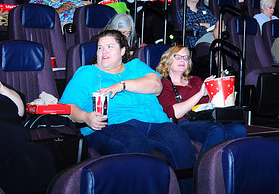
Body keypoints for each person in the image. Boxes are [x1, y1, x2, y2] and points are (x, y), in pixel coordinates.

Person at [59, 30, 196, 193]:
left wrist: (122, 85)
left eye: (110, 46)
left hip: (156, 122)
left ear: (123, 50)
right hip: (113, 125)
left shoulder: (136, 66)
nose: (104, 52)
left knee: (180, 142)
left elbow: (156, 86)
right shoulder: (86, 73)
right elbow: (65, 108)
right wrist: (85, 117)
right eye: (100, 48)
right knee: (134, 142)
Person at [155, 46, 246, 152]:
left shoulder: (196, 80)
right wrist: (200, 94)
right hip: (183, 123)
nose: (182, 60)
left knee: (239, 129)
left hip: (205, 120)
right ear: (168, 60)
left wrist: (220, 94)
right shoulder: (163, 83)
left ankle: (227, 163)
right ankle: (205, 166)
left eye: (186, 58)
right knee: (215, 129)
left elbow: (208, 105)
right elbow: (174, 113)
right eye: (178, 57)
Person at [0, 79, 56, 194]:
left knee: (41, 155)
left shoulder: (2, 87)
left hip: (18, 144)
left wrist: (2, 89)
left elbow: (21, 111)